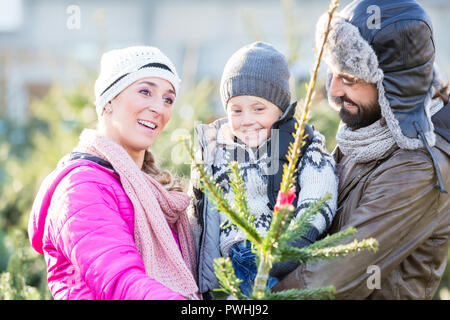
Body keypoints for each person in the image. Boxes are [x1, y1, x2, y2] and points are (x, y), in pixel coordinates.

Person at [273, 0, 450, 299]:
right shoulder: (365, 133)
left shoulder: (418, 166)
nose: (334, 91)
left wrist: (251, 299)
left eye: (350, 78)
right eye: (333, 72)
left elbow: (330, 277)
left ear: (394, 85)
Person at [28, 46, 200, 300]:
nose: (159, 108)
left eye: (168, 99)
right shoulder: (80, 188)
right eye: (145, 92)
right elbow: (120, 283)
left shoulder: (155, 193)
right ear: (109, 99)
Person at [187, 42, 338, 298]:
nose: (246, 120)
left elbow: (320, 189)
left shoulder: (300, 144)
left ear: (281, 110)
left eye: (258, 109)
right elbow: (201, 213)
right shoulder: (216, 150)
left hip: (279, 257)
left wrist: (298, 238)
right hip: (228, 265)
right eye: (236, 110)